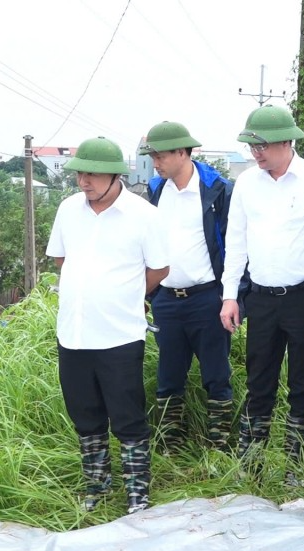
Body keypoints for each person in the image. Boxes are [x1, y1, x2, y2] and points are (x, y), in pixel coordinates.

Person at [219, 105, 304, 480]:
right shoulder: (246, 183)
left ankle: (296, 463)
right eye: (252, 147)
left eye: (264, 146)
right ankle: (251, 462)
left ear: (287, 142)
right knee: (259, 379)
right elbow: (235, 241)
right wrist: (229, 295)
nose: (257, 154)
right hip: (261, 297)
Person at [45, 136, 169, 515]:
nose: (85, 181)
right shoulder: (68, 210)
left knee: (128, 416)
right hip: (74, 334)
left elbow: (159, 268)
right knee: (85, 415)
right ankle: (96, 487)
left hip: (119, 335)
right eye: (81, 173)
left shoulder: (143, 215)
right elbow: (61, 260)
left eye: (94, 174)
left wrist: (125, 295)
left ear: (115, 175)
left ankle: (137, 494)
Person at [139, 121, 236, 452]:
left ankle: (220, 445)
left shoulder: (217, 190)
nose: (155, 162)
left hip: (207, 298)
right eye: (152, 156)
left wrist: (232, 296)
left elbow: (236, 245)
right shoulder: (155, 191)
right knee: (169, 375)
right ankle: (171, 446)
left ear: (182, 152)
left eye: (160, 156)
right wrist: (149, 293)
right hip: (166, 298)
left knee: (216, 374)